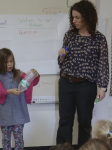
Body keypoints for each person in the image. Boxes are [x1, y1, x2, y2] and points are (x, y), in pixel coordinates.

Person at [57, 0, 109, 148]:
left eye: (77, 17)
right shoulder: (70, 35)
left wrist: (103, 87)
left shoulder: (99, 39)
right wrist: (61, 56)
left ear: (87, 17)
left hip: (87, 86)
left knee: (85, 123)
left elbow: (103, 64)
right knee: (64, 121)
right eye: (73, 17)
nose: (74, 21)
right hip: (66, 83)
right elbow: (61, 62)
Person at [0, 48, 40, 150]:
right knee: (6, 139)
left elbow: (32, 82)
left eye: (11, 61)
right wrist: (10, 91)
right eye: (6, 62)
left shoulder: (19, 73)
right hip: (4, 114)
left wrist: (35, 75)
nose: (10, 64)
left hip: (19, 113)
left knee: (19, 139)